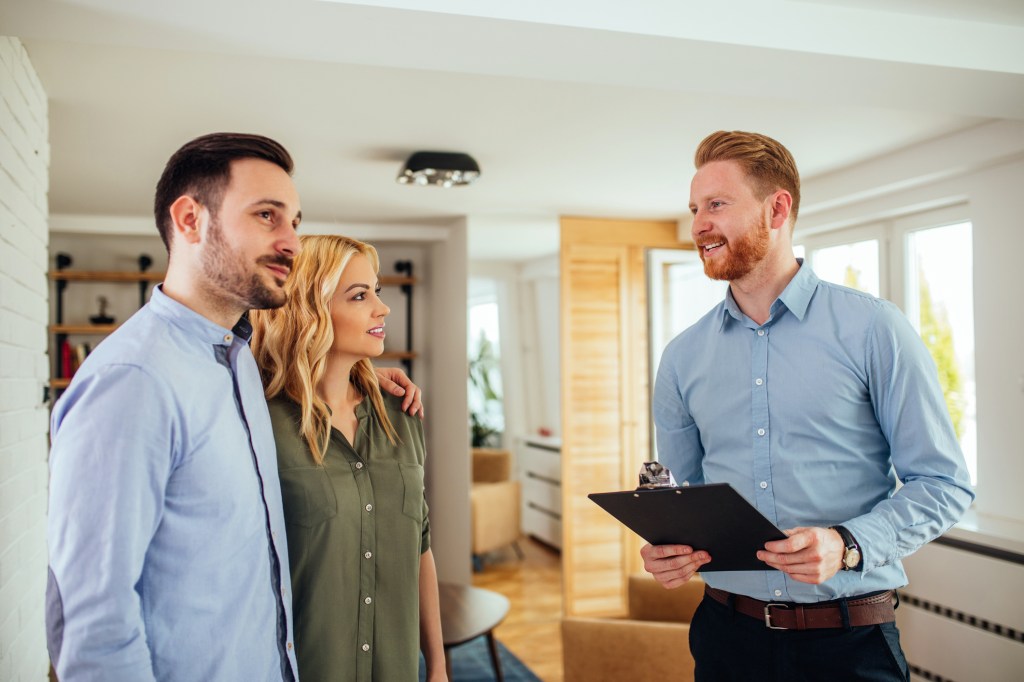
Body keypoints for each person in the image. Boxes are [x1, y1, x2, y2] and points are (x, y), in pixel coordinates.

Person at [46, 133, 421, 681]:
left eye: (294, 221)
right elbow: (92, 626)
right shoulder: (132, 381)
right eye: (267, 215)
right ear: (190, 220)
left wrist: (361, 373)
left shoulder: (237, 360)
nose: (292, 243)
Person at [641, 130, 974, 681]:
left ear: (777, 209)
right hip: (726, 641)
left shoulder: (874, 328)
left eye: (717, 205)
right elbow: (683, 500)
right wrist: (669, 549)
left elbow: (944, 483)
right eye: (695, 209)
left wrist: (847, 545)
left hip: (850, 645)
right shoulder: (682, 357)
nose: (698, 225)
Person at [250, 234, 446, 682]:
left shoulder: (402, 412)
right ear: (309, 310)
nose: (383, 308)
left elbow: (420, 546)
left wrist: (437, 666)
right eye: (359, 296)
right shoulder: (261, 424)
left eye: (376, 291)